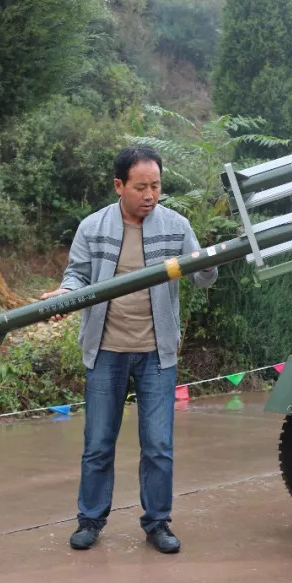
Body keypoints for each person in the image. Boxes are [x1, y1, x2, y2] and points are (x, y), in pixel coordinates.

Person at [40, 146, 217, 554]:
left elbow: (201, 276)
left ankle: (158, 523)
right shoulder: (93, 226)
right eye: (141, 187)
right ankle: (90, 519)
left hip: (157, 353)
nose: (150, 195)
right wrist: (64, 297)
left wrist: (207, 264)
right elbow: (77, 276)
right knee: (98, 442)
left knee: (158, 445)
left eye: (156, 185)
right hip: (105, 350)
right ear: (119, 185)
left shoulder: (175, 225)